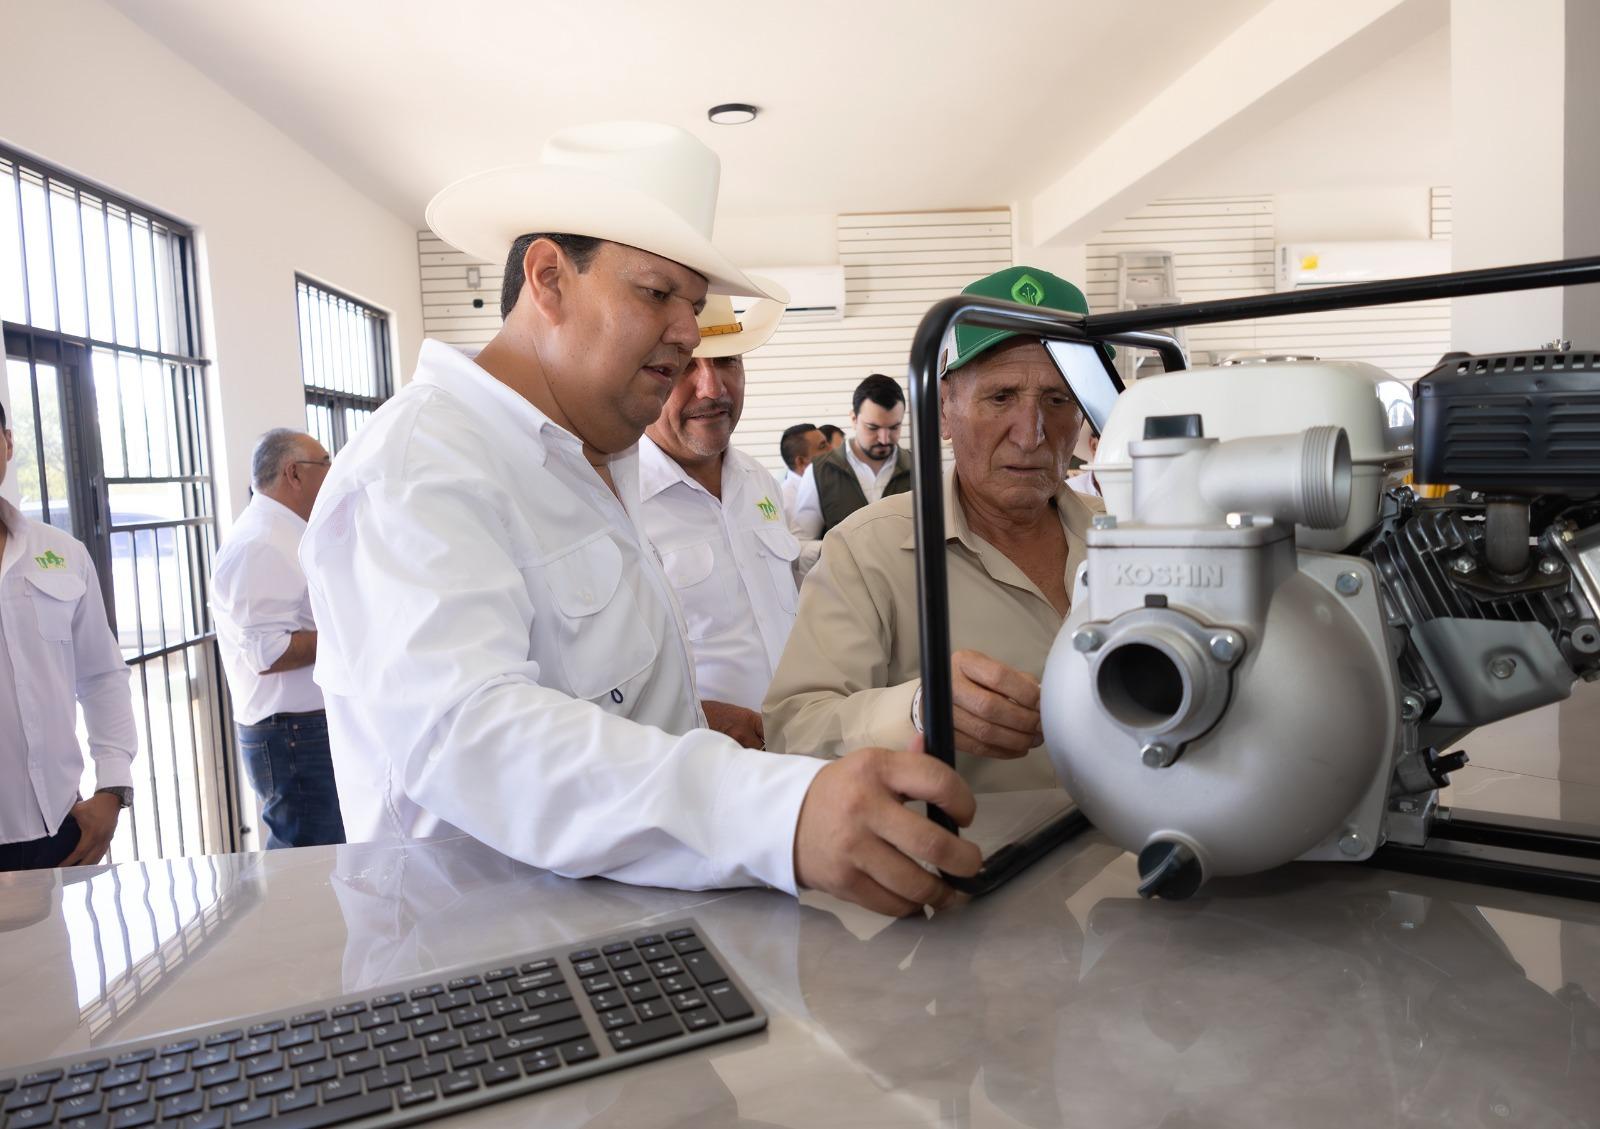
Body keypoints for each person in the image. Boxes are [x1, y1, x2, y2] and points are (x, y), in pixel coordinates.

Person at [300, 121, 980, 918]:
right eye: (658, 293)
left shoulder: (599, 457)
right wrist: (775, 812)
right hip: (483, 971)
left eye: (693, 305)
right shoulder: (421, 465)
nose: (690, 333)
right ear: (549, 277)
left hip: (634, 939)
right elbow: (472, 734)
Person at [765, 267, 1104, 792]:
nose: (1031, 433)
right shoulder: (866, 552)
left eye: (1058, 401)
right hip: (973, 864)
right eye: (1000, 397)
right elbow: (793, 731)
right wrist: (920, 710)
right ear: (944, 409)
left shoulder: (1127, 536)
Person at [637, 282, 799, 739]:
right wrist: (694, 717)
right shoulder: (619, 504)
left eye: (727, 361)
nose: (712, 387)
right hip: (699, 778)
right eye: (686, 365)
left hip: (796, 757)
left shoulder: (758, 480)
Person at [0, 398, 137, 870]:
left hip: (60, 830)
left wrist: (112, 789)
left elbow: (102, 676)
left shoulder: (61, 552)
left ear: (8, 443)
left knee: (54, 947)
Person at [211, 428, 345, 849]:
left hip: (303, 729)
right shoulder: (260, 543)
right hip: (294, 734)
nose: (333, 472)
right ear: (294, 473)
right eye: (326, 463)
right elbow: (268, 651)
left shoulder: (284, 533)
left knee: (326, 858)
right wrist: (352, 633)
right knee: (309, 864)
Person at [789, 374, 912, 542]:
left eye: (894, 427)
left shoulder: (922, 467)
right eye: (873, 428)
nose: (884, 439)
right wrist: (839, 555)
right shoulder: (819, 472)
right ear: (854, 419)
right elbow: (801, 544)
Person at [778, 423, 827, 518]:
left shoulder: (823, 484)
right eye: (822, 446)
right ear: (801, 462)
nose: (832, 450)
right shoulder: (787, 504)